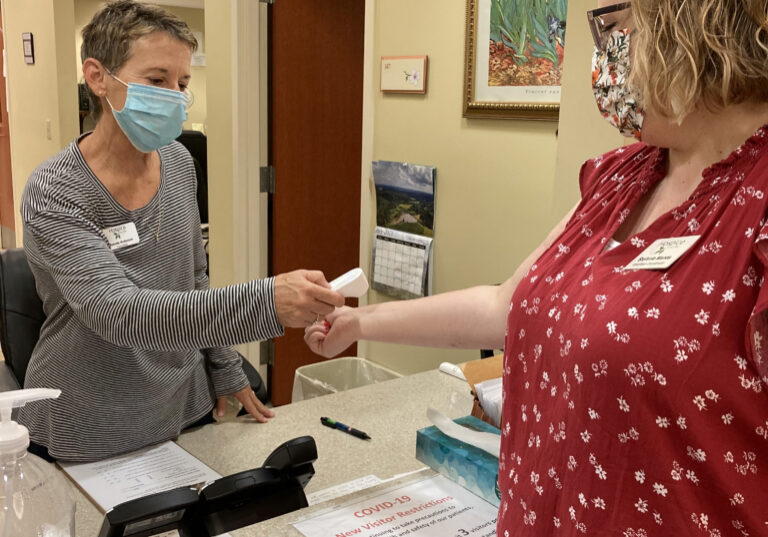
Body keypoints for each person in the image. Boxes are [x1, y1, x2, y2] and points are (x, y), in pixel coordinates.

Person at [307, 0, 768, 534]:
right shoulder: (622, 177)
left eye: (613, 25)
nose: (603, 56)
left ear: (691, 22)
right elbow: (504, 306)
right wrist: (360, 324)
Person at [19, 0, 344, 462]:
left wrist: (226, 366)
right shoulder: (56, 190)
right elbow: (119, 313)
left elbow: (192, 276)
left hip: (182, 405)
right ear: (97, 76)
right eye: (156, 80)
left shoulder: (177, 163)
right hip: (88, 418)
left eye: (182, 83)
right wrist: (266, 302)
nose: (174, 95)